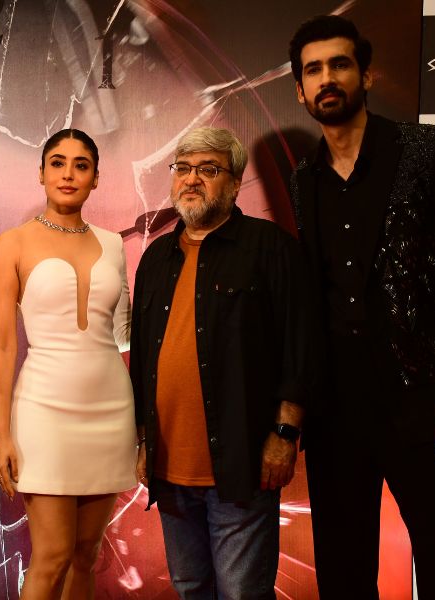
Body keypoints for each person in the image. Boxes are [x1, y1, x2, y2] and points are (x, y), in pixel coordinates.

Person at [288, 15, 435, 599]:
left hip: (424, 399)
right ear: (300, 91)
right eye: (313, 70)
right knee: (343, 574)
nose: (327, 79)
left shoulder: (430, 150)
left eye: (339, 64)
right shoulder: (303, 179)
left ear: (366, 75)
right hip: (336, 411)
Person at [130, 126, 310, 600]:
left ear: (234, 184)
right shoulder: (156, 257)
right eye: (183, 169)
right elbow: (143, 358)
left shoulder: (270, 247)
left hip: (242, 465)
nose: (192, 179)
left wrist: (285, 433)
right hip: (169, 469)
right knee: (191, 587)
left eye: (208, 169)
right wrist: (144, 442)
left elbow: (299, 346)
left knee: (242, 593)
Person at [0, 128, 136, 599]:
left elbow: (123, 336)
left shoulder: (114, 244)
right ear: (41, 173)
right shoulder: (13, 244)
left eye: (81, 165)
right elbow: (2, 346)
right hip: (44, 410)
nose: (68, 174)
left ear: (96, 178)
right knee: (51, 556)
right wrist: (3, 435)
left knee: (85, 554)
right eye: (57, 163)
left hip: (111, 409)